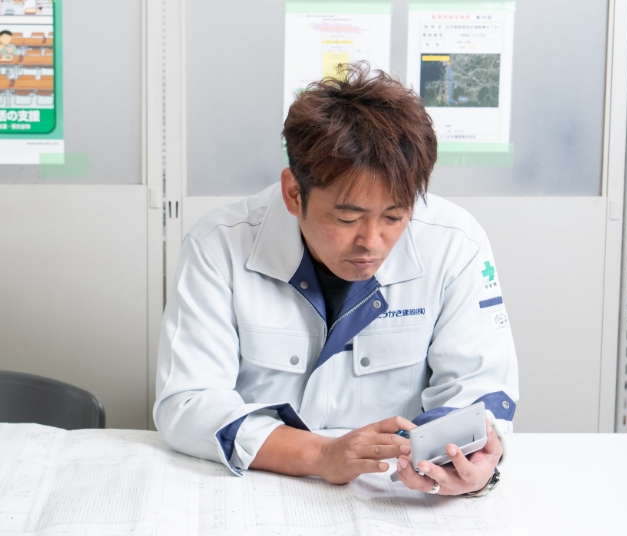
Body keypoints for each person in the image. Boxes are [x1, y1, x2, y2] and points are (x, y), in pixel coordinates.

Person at [154, 63, 519, 496]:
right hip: (257, 488)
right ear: (294, 193)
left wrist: (472, 465)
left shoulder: (455, 243)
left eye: (394, 216)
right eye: (347, 218)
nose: (372, 242)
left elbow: (481, 390)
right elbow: (188, 402)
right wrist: (320, 455)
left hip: (396, 496)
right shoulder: (218, 246)